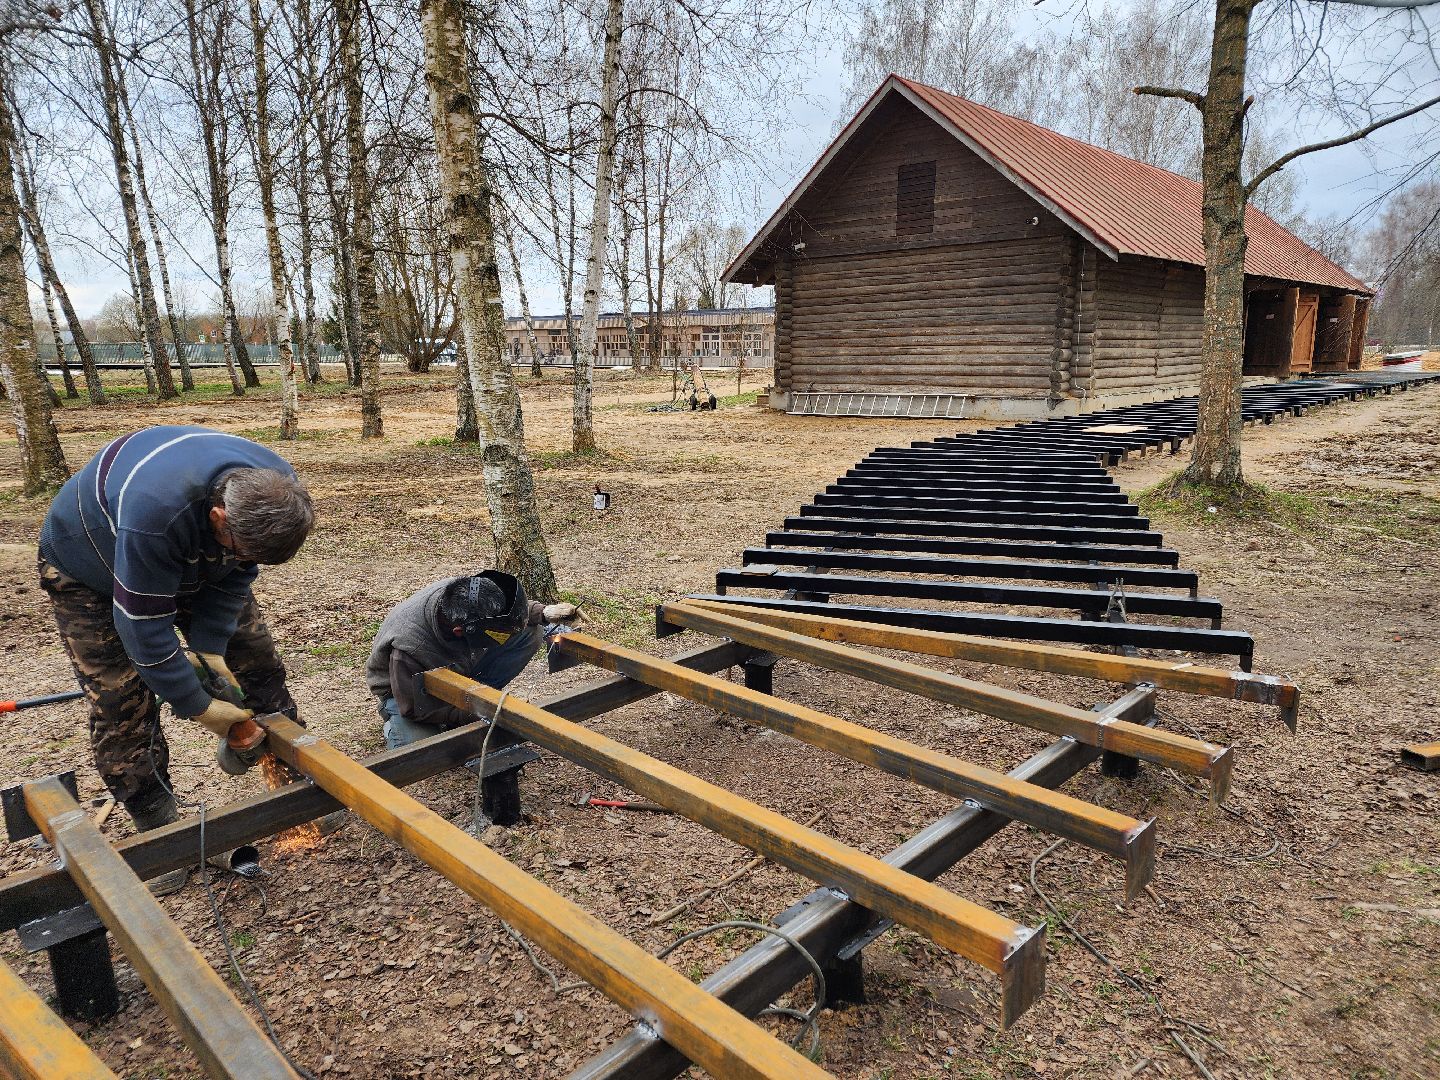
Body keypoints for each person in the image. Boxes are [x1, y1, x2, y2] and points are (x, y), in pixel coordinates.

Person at [38, 426, 314, 893]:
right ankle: (159, 826)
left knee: (256, 660)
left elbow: (236, 574)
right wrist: (205, 708)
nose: (247, 559)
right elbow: (144, 632)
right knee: (121, 698)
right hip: (90, 568)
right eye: (241, 548)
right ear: (219, 516)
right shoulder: (157, 513)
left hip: (193, 549)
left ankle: (292, 781)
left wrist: (209, 651)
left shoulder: (276, 492)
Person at [366, 571, 578, 749]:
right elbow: (413, 707)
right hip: (408, 690)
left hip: (457, 664)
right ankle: (393, 723)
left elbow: (504, 611)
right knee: (422, 748)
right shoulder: (409, 647)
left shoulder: (465, 593)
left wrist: (544, 612)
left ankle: (473, 699)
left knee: (530, 633)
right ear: (461, 631)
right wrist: (478, 711)